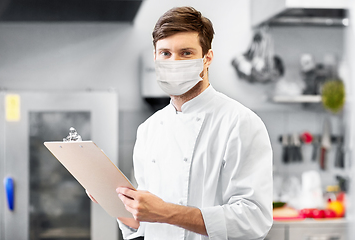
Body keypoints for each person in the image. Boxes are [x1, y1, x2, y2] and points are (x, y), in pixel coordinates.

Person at [89, 6, 273, 240]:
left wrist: (166, 212)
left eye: (185, 53)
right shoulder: (149, 130)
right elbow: (145, 226)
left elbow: (254, 220)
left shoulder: (240, 122)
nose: (173, 62)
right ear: (155, 57)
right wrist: (119, 206)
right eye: (165, 53)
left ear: (207, 59)